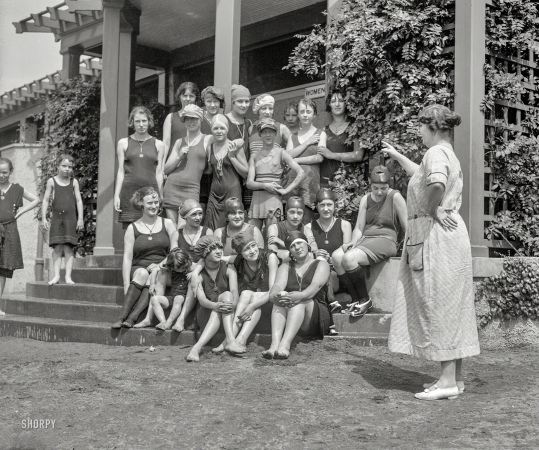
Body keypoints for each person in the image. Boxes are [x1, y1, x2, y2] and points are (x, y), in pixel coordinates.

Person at [384, 104, 480, 400]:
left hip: (438, 238)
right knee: (452, 304)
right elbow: (424, 177)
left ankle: (447, 381)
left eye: (421, 127)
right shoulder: (445, 153)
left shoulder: (435, 153)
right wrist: (398, 156)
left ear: (434, 127)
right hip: (452, 237)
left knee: (438, 303)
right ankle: (455, 379)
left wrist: (432, 208)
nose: (418, 132)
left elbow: (435, 183)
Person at [332, 165, 407, 317]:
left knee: (349, 258)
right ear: (370, 185)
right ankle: (355, 298)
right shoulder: (366, 199)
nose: (379, 192)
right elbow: (359, 226)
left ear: (389, 185)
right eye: (376, 188)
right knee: (336, 256)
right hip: (367, 238)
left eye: (383, 188)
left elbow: (407, 226)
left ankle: (365, 300)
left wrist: (408, 249)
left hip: (386, 239)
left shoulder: (395, 197)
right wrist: (353, 241)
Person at [111, 187, 176, 329]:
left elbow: (174, 251)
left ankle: (132, 318)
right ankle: (122, 317)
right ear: (141, 204)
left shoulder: (168, 224)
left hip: (162, 267)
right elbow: (127, 258)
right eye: (150, 203)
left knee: (153, 274)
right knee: (142, 273)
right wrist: (126, 284)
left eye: (156, 202)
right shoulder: (132, 228)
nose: (154, 206)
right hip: (139, 267)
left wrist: (159, 265)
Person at [263, 231, 331, 359]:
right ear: (290, 251)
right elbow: (275, 288)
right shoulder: (285, 266)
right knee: (280, 301)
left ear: (307, 245)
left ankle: (285, 345)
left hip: (315, 315)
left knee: (298, 301)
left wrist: (295, 297)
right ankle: (274, 344)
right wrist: (276, 296)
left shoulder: (321, 264)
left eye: (300, 243)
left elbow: (311, 290)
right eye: (293, 246)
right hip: (293, 316)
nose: (297, 247)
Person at [212, 228, 279, 354]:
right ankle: (231, 341)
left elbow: (272, 291)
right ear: (240, 253)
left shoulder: (270, 257)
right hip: (252, 306)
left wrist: (252, 306)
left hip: (270, 302)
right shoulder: (239, 260)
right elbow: (217, 257)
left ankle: (234, 341)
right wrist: (196, 269)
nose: (252, 251)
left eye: (253, 246)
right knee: (246, 293)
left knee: (250, 295)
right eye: (246, 249)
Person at [186, 236, 241, 362]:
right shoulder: (198, 274)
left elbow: (234, 291)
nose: (218, 251)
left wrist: (234, 303)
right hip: (207, 312)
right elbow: (202, 300)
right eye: (213, 249)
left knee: (227, 295)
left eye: (220, 247)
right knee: (220, 304)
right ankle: (230, 340)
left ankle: (196, 348)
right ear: (205, 253)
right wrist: (215, 306)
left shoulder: (229, 268)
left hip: (227, 312)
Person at [247, 118, 305, 230]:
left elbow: (301, 173)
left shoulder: (281, 153)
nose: (268, 135)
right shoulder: (254, 156)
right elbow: (249, 183)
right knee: (253, 236)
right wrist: (265, 185)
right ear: (260, 134)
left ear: (275, 134)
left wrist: (286, 190)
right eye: (264, 132)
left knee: (272, 236)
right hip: (256, 200)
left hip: (273, 200)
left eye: (271, 132)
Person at [0, 157, 39, 316]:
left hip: (9, 230)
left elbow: (36, 199)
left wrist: (21, 211)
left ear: (10, 172)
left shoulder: (16, 189)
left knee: (2, 270)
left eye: (5, 172)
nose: (2, 175)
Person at [304, 188, 353, 314]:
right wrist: (316, 254)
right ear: (317, 207)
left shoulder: (344, 225)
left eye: (329, 205)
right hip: (316, 275)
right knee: (319, 261)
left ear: (334, 206)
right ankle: (331, 301)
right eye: (322, 205)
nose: (326, 209)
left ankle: (330, 301)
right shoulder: (308, 228)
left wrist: (331, 259)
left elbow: (347, 254)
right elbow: (309, 251)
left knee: (323, 264)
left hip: (337, 274)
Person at [114, 106, 165, 227]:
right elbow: (121, 171)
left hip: (151, 193)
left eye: (144, 121)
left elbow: (159, 172)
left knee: (150, 229)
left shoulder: (159, 144)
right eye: (137, 121)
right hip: (129, 193)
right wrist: (117, 195)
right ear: (132, 123)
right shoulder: (123, 143)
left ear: (149, 122)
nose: (141, 124)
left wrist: (161, 195)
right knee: (130, 232)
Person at [163, 104, 212, 225]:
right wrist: (179, 156)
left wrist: (238, 141)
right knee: (172, 231)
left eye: (194, 118)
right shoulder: (179, 142)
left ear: (200, 119)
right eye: (187, 119)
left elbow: (210, 168)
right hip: (172, 188)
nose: (190, 122)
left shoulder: (208, 139)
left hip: (191, 190)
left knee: (185, 230)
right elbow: (166, 169)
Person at [41, 154, 84, 285]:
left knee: (69, 248)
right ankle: (56, 276)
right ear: (58, 166)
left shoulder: (74, 182)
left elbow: (78, 200)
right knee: (57, 248)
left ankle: (68, 277)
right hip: (57, 219)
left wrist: (80, 218)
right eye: (64, 166)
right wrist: (44, 218)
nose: (67, 169)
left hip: (70, 218)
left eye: (70, 167)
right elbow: (46, 200)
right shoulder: (51, 181)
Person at [285, 98, 327, 222]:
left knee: (308, 222)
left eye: (308, 111)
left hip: (310, 184)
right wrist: (308, 142)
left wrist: (296, 160)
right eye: (302, 111)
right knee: (292, 222)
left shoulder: (320, 134)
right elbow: (287, 156)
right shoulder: (293, 136)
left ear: (314, 115)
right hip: (292, 183)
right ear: (298, 114)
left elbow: (319, 157)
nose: (305, 114)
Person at [204, 114, 248, 230]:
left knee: (232, 226)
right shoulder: (210, 147)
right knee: (211, 226)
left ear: (227, 129)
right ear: (211, 130)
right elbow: (209, 170)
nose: (219, 131)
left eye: (222, 128)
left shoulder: (235, 146)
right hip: (214, 194)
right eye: (215, 128)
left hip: (232, 192)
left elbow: (245, 173)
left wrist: (232, 157)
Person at [317, 89, 366, 188]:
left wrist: (332, 155)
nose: (337, 104)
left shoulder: (355, 128)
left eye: (341, 100)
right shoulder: (323, 131)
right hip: (325, 183)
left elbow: (358, 155)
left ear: (346, 104)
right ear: (329, 105)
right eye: (333, 101)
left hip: (348, 183)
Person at [144, 247, 193, 331]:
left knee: (178, 298)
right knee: (154, 299)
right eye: (178, 268)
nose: (181, 270)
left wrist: (194, 273)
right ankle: (163, 321)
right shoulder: (170, 268)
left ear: (186, 262)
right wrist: (152, 284)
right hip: (172, 297)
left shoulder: (191, 267)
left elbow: (201, 268)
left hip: (185, 298)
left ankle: (169, 322)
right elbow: (155, 270)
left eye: (182, 267)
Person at [225, 84, 253, 209]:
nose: (244, 105)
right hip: (228, 174)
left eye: (247, 101)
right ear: (233, 102)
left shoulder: (248, 123)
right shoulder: (224, 120)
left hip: (244, 176)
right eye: (240, 101)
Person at [162, 81, 200, 164]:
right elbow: (166, 143)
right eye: (185, 96)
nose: (188, 99)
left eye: (191, 96)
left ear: (196, 98)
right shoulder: (171, 117)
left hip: (195, 163)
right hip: (174, 162)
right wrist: (162, 165)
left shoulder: (200, 118)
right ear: (179, 97)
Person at [266, 196, 305, 261]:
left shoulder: (305, 229)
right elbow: (272, 251)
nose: (295, 217)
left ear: (303, 215)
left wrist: (282, 243)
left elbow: (313, 250)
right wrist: (299, 253)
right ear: (286, 212)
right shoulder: (274, 228)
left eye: (299, 213)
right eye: (292, 212)